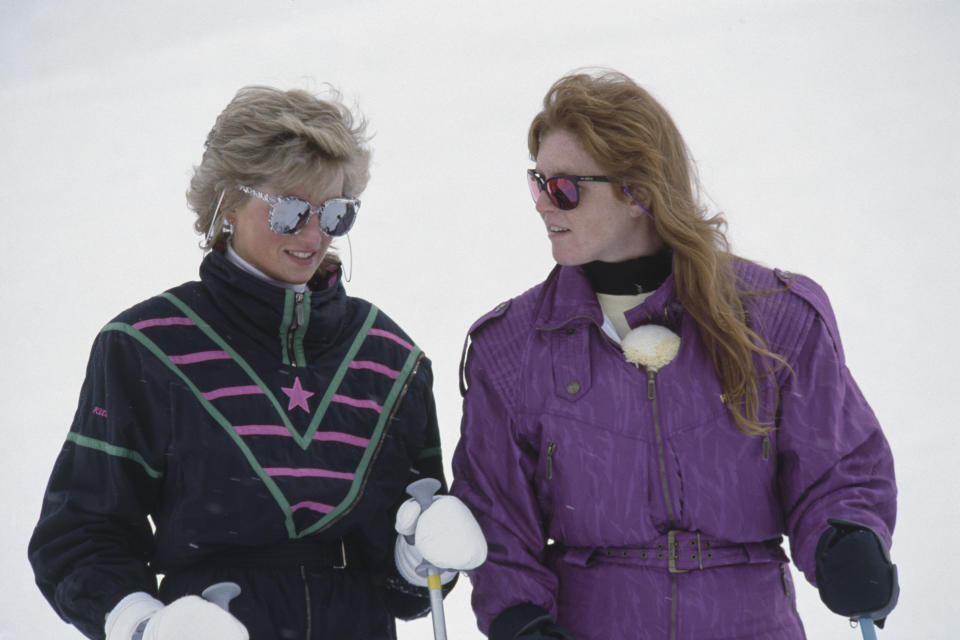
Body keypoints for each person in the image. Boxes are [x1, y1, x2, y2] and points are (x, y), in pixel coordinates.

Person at [451, 69, 898, 640]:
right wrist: (520, 620)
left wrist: (848, 536)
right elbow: (498, 516)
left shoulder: (775, 318)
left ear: (638, 191)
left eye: (564, 188)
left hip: (748, 622)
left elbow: (836, 467)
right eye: (537, 181)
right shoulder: (514, 347)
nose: (542, 203)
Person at [29, 85, 485, 640]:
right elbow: (79, 533)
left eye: (336, 213)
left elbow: (408, 583)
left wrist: (417, 559)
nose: (314, 234)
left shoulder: (389, 360)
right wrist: (141, 623)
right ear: (227, 203)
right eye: (291, 210)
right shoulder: (148, 346)